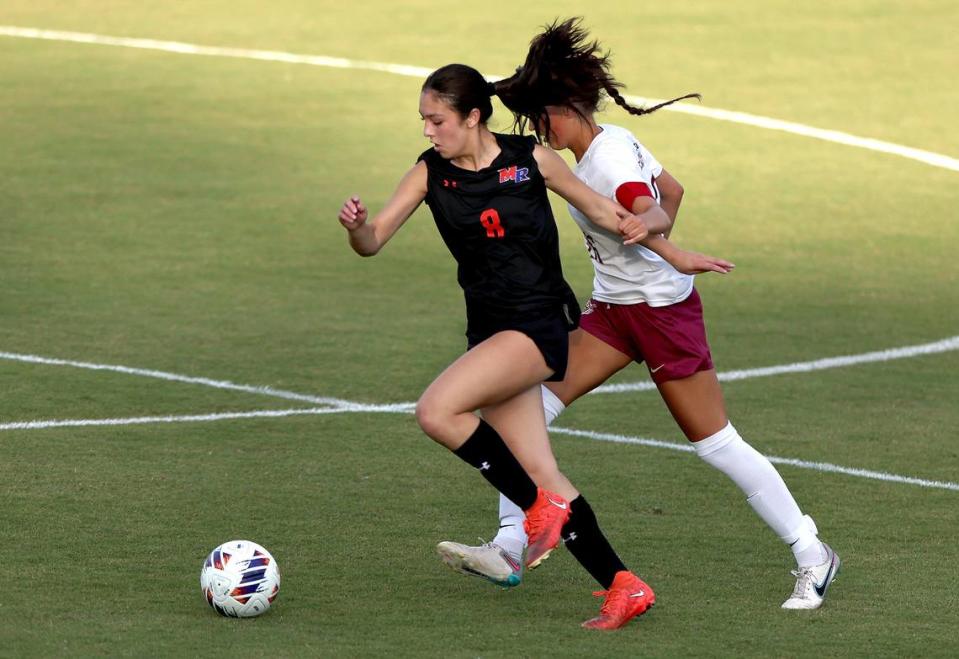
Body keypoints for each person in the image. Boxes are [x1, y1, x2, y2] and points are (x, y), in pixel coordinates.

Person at [435, 18, 840, 612]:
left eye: (540, 118)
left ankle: (812, 552)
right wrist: (657, 232)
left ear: (564, 111)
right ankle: (510, 543)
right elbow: (674, 191)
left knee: (715, 442)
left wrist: (646, 229)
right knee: (523, 404)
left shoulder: (606, 162)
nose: (536, 131)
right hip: (613, 312)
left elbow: (648, 203)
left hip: (661, 315)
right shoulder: (609, 143)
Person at [338, 62, 727, 629]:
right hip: (491, 332)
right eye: (423, 120)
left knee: (437, 410)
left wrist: (674, 252)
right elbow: (372, 242)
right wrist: (356, 226)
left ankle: (533, 511)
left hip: (540, 325)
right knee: (541, 471)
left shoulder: (531, 160)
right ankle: (624, 584)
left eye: (436, 119)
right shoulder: (429, 174)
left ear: (472, 117)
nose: (427, 130)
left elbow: (610, 215)